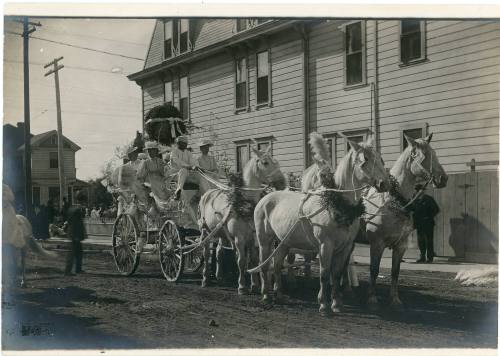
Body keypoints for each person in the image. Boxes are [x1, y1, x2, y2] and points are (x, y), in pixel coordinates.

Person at [412, 184, 440, 263]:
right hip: (419, 224)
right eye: (416, 190)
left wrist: (428, 217)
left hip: (428, 223)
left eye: (420, 190)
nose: (417, 191)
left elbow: (436, 210)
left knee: (429, 241)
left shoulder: (429, 199)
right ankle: (422, 257)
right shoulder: (414, 200)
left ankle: (430, 258)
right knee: (420, 241)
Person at [65, 191, 88, 276]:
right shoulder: (78, 209)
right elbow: (77, 223)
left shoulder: (72, 208)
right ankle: (68, 271)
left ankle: (78, 269)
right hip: (75, 234)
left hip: (73, 233)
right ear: (82, 201)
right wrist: (77, 235)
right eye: (84, 201)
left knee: (79, 252)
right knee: (72, 253)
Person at [169, 136, 199, 200]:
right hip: (176, 174)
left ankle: (204, 192)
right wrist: (188, 166)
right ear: (178, 143)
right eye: (183, 143)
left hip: (187, 174)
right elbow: (177, 161)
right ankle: (178, 191)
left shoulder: (188, 152)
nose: (185, 144)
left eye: (186, 143)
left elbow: (193, 161)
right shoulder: (174, 152)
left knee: (199, 174)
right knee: (183, 170)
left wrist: (196, 166)